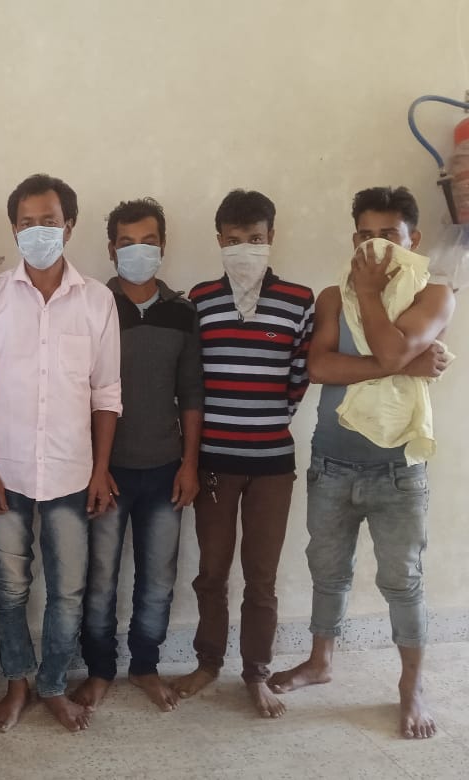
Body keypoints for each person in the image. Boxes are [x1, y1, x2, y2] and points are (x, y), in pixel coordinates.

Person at [268, 186, 455, 739]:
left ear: (413, 239)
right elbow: (320, 368)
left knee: (403, 581)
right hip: (332, 462)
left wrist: (372, 298)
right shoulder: (332, 297)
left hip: (399, 469)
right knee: (328, 571)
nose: (375, 247)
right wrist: (405, 364)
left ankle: (411, 687)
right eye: (366, 236)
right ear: (354, 239)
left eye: (388, 235)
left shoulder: (435, 295)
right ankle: (320, 661)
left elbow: (391, 348)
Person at [0, 173, 122, 733]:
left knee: (68, 592)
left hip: (72, 472)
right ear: (13, 229)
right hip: (4, 471)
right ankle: (17, 685)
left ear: (69, 226)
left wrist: (100, 470)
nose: (37, 231)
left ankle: (52, 684)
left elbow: (106, 394)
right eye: (26, 223)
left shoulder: (97, 300)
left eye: (48, 221)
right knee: (10, 591)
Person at [171, 189, 315, 718]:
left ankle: (256, 672)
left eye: (254, 239)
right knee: (211, 571)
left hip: (272, 464)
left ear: (271, 238)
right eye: (233, 240)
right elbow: (193, 380)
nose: (245, 249)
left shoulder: (299, 300)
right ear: (219, 241)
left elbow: (298, 379)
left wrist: (263, 422)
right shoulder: (201, 299)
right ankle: (208, 662)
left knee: (262, 577)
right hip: (213, 461)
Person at [72, 197, 203, 713]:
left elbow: (192, 394)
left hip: (166, 471)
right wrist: (95, 468)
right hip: (105, 473)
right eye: (126, 243)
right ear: (111, 249)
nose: (137, 251)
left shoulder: (182, 312)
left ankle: (145, 665)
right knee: (100, 581)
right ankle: (100, 670)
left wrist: (190, 464)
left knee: (158, 579)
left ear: (163, 246)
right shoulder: (93, 306)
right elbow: (78, 391)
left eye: (148, 241)